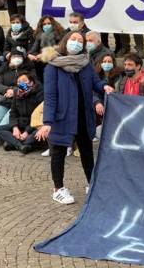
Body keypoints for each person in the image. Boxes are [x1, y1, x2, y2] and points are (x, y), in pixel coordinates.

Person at [37, 31, 114, 204]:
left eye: (81, 41)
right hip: (62, 116)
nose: (77, 43)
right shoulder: (52, 66)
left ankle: (91, 183)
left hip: (83, 114)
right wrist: (47, 122)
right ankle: (58, 189)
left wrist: (104, 87)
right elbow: (50, 96)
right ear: (66, 41)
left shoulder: (85, 63)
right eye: (74, 39)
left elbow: (95, 81)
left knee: (87, 151)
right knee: (58, 152)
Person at [0, 72, 44, 153]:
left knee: (36, 135)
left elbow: (38, 116)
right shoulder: (17, 93)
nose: (21, 83)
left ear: (31, 82)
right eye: (19, 82)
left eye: (24, 80)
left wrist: (26, 132)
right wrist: (15, 128)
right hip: (21, 124)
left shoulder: (39, 94)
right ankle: (21, 146)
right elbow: (13, 113)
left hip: (34, 125)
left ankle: (13, 143)